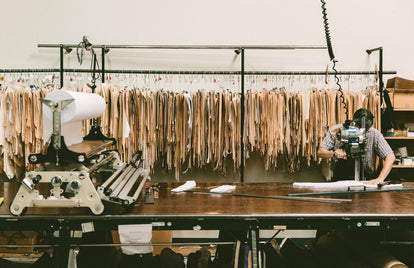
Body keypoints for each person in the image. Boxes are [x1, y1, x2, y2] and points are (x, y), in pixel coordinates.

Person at [317, 108, 395, 185]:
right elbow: (320, 152)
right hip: (340, 179)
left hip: (365, 180)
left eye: (366, 130)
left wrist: (380, 179)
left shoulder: (374, 134)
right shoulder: (337, 131)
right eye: (359, 129)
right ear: (352, 122)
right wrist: (333, 153)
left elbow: (390, 156)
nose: (362, 133)